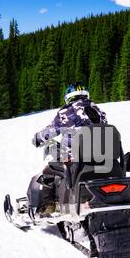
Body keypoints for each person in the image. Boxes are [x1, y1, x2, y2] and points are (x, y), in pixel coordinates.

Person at [30, 81, 108, 216]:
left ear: (69, 97)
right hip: (102, 157)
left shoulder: (66, 112)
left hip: (75, 159)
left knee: (49, 170)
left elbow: (51, 130)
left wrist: (38, 138)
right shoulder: (98, 110)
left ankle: (48, 205)